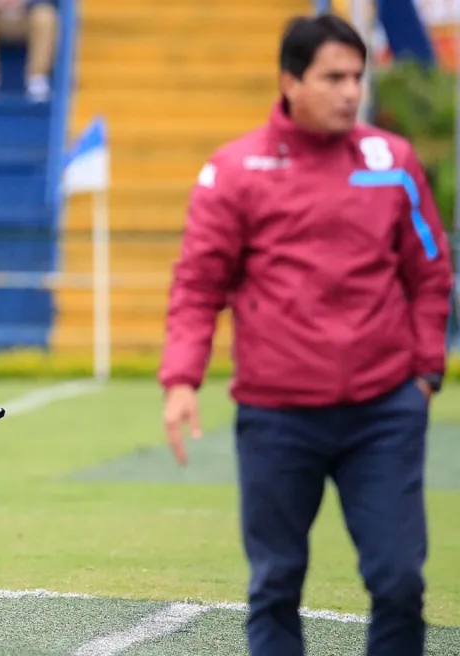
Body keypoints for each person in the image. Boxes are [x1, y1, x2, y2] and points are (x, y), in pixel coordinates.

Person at [158, 14, 453, 656]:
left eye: (357, 77)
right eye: (333, 78)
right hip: (277, 415)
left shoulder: (392, 162)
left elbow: (431, 273)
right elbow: (197, 286)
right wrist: (181, 378)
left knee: (399, 581)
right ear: (290, 81)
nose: (350, 91)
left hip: (383, 411)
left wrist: (426, 373)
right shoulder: (235, 171)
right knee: (276, 583)